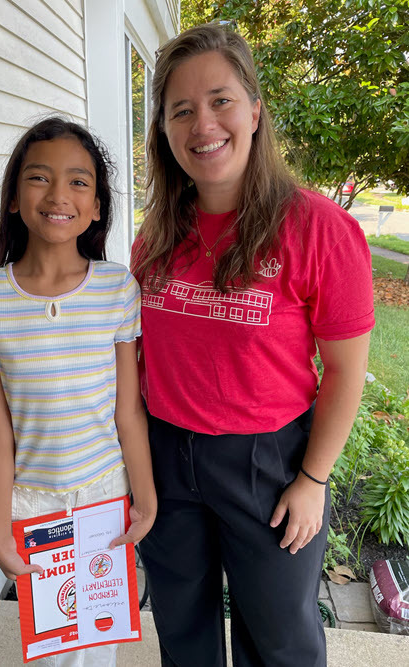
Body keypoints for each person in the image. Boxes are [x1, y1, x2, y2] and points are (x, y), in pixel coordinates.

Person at [131, 24, 374, 667]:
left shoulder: (318, 227)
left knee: (280, 639)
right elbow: (135, 355)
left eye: (220, 99)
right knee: (183, 629)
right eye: (180, 109)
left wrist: (312, 479)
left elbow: (347, 372)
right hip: (165, 460)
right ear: (163, 128)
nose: (201, 123)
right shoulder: (156, 237)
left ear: (256, 108)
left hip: (266, 465)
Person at [0, 117, 157, 667]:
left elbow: (128, 409)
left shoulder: (117, 289)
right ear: (15, 198)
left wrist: (145, 494)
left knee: (98, 641)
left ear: (98, 206)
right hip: (33, 502)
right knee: (55, 647)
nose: (59, 194)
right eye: (39, 178)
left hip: (104, 493)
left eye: (78, 182)